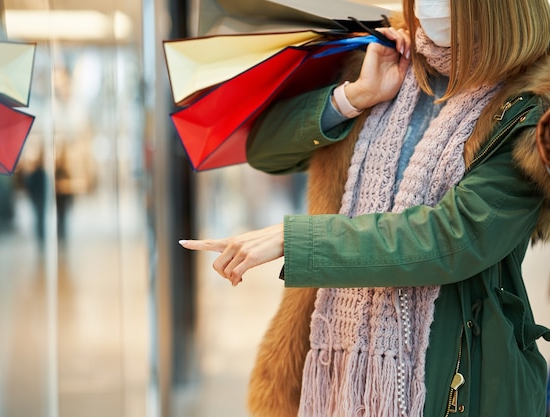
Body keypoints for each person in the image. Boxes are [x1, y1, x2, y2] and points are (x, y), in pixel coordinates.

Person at [179, 0, 550, 416]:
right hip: (329, 358)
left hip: (456, 372)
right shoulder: (388, 55)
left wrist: (298, 240)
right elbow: (265, 151)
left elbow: (454, 237)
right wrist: (355, 96)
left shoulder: (531, 106)